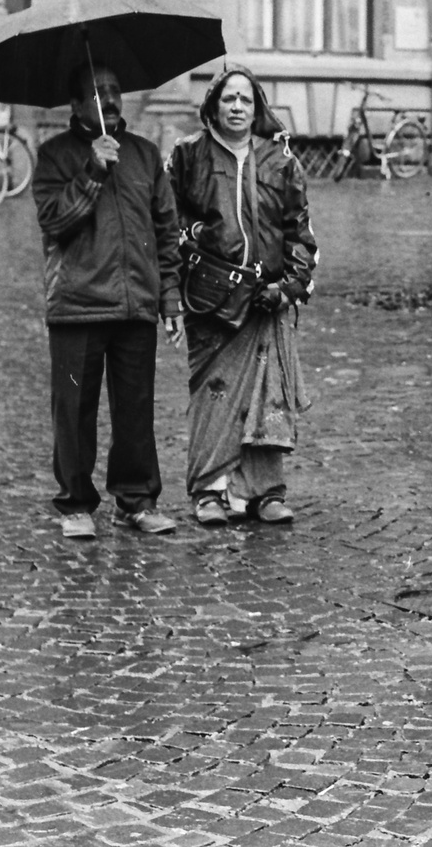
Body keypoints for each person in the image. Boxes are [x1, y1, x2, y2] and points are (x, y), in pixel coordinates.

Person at [33, 62, 184, 539]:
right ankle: (76, 503)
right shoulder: (54, 156)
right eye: (97, 93)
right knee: (74, 410)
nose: (110, 100)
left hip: (135, 300)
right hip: (78, 302)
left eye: (115, 91)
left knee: (136, 408)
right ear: (76, 105)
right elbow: (55, 222)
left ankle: (136, 499)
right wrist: (93, 171)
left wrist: (171, 299)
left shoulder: (143, 154)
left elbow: (166, 231)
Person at [167, 65, 316, 526]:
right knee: (214, 394)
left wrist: (288, 287)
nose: (236, 107)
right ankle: (209, 491)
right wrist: (179, 277)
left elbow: (301, 233)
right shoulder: (188, 155)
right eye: (228, 99)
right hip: (211, 301)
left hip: (265, 302)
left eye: (245, 100)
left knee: (267, 396)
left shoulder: (281, 161)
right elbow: (166, 225)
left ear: (257, 108)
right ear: (213, 105)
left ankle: (264, 492)